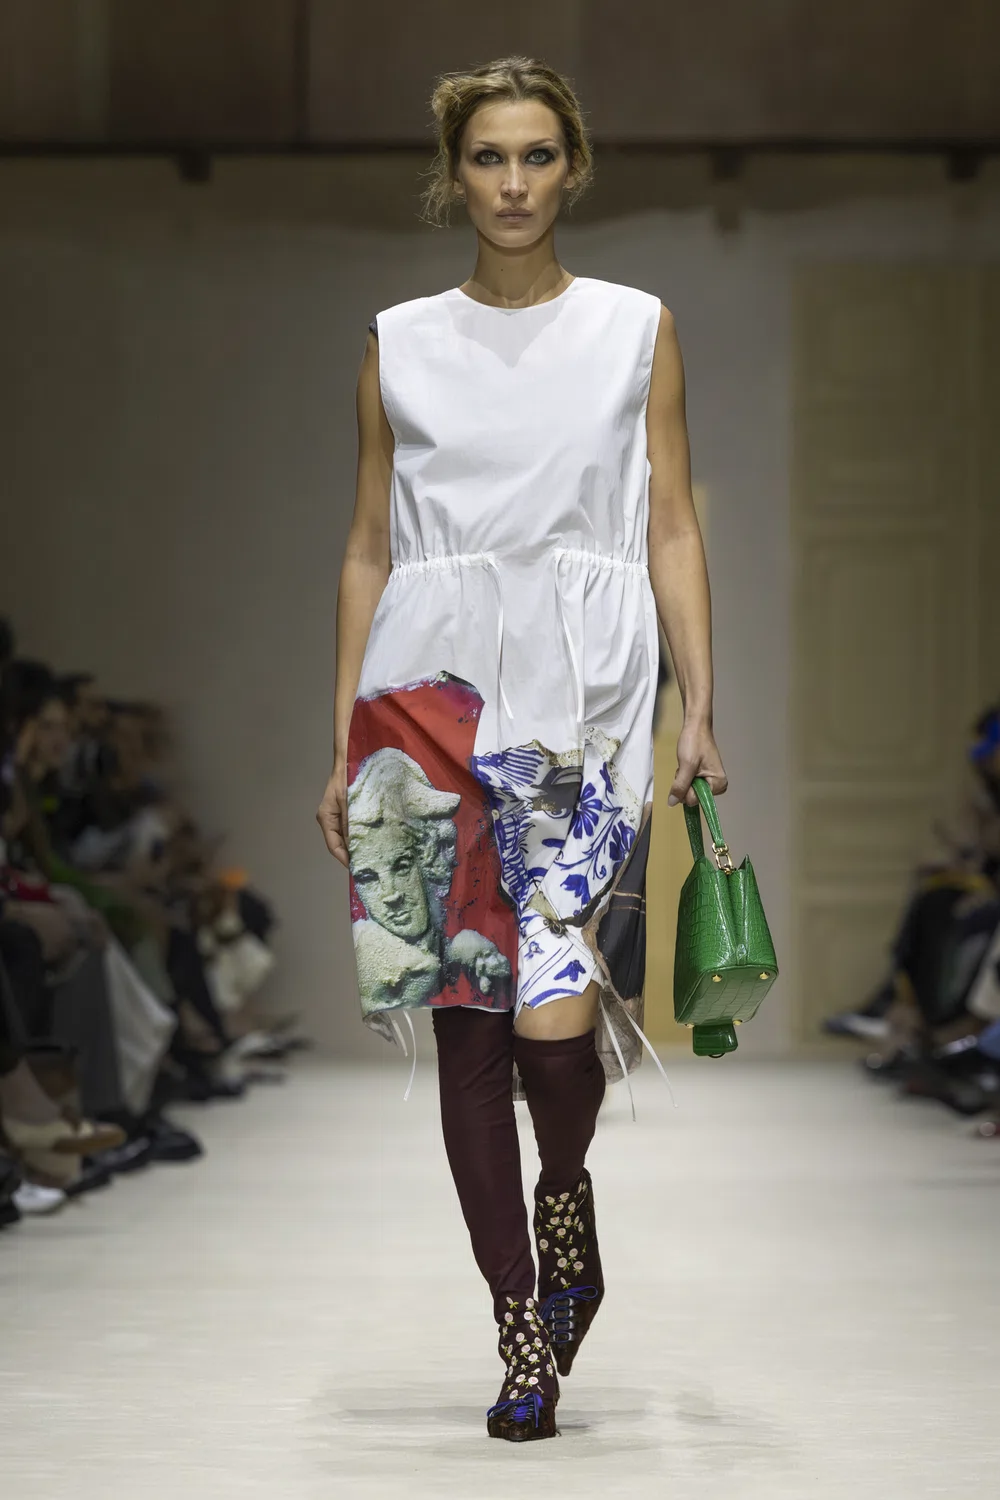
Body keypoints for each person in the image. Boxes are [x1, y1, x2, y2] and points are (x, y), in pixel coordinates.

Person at [316, 55, 727, 1443]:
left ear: (573, 168)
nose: (511, 183)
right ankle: (520, 1329)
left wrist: (699, 705)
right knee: (468, 1028)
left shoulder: (635, 329)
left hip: (584, 702)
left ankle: (566, 1200)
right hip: (422, 700)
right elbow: (367, 546)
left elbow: (672, 521)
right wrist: (343, 743)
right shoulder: (397, 340)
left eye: (536, 156)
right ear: (455, 172)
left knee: (558, 1029)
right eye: (487, 157)